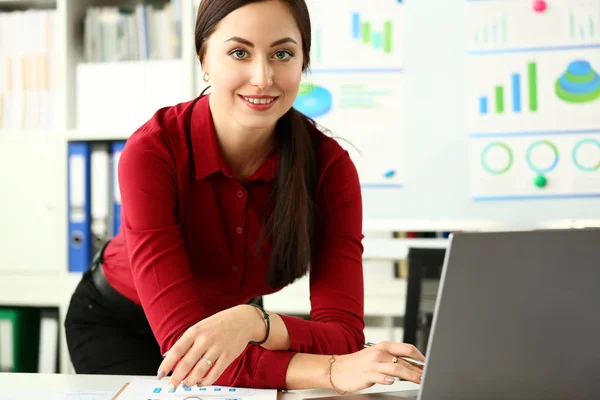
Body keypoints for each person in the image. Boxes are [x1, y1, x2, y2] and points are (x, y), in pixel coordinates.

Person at [64, 0, 424, 393]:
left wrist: (256, 323)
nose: (263, 77)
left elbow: (343, 334)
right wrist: (331, 370)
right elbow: (189, 352)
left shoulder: (328, 167)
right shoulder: (153, 151)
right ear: (204, 58)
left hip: (237, 331)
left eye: (282, 54)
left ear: (303, 61)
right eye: (239, 52)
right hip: (120, 324)